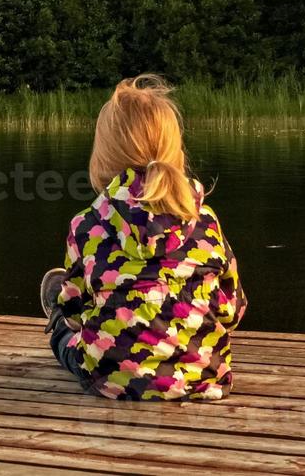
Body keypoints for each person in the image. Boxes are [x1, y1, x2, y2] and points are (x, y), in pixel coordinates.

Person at [41, 75, 247, 401]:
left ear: (104, 155)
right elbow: (232, 311)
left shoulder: (86, 226)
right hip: (204, 378)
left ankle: (51, 320)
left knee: (65, 335)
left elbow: (78, 313)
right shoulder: (205, 222)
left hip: (112, 380)